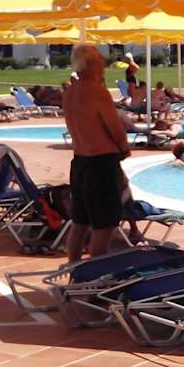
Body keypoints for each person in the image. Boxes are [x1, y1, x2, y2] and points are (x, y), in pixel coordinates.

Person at [62, 42, 132, 263]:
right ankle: (97, 273)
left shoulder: (70, 93)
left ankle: (75, 271)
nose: (104, 66)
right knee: (104, 226)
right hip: (101, 164)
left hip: (80, 162)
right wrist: (124, 148)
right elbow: (115, 128)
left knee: (79, 224)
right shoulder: (97, 93)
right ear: (92, 65)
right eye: (101, 61)